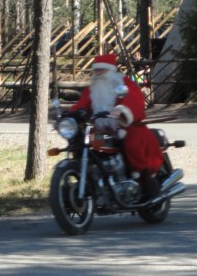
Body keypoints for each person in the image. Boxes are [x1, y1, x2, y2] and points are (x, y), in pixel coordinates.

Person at [70, 52, 164, 200]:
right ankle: (96, 178)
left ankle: (145, 179)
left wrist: (121, 110)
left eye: (102, 70)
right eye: (96, 70)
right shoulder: (93, 89)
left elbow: (135, 98)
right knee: (87, 142)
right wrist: (69, 115)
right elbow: (82, 105)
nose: (98, 73)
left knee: (131, 140)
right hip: (105, 132)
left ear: (111, 70)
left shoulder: (123, 83)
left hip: (125, 127)